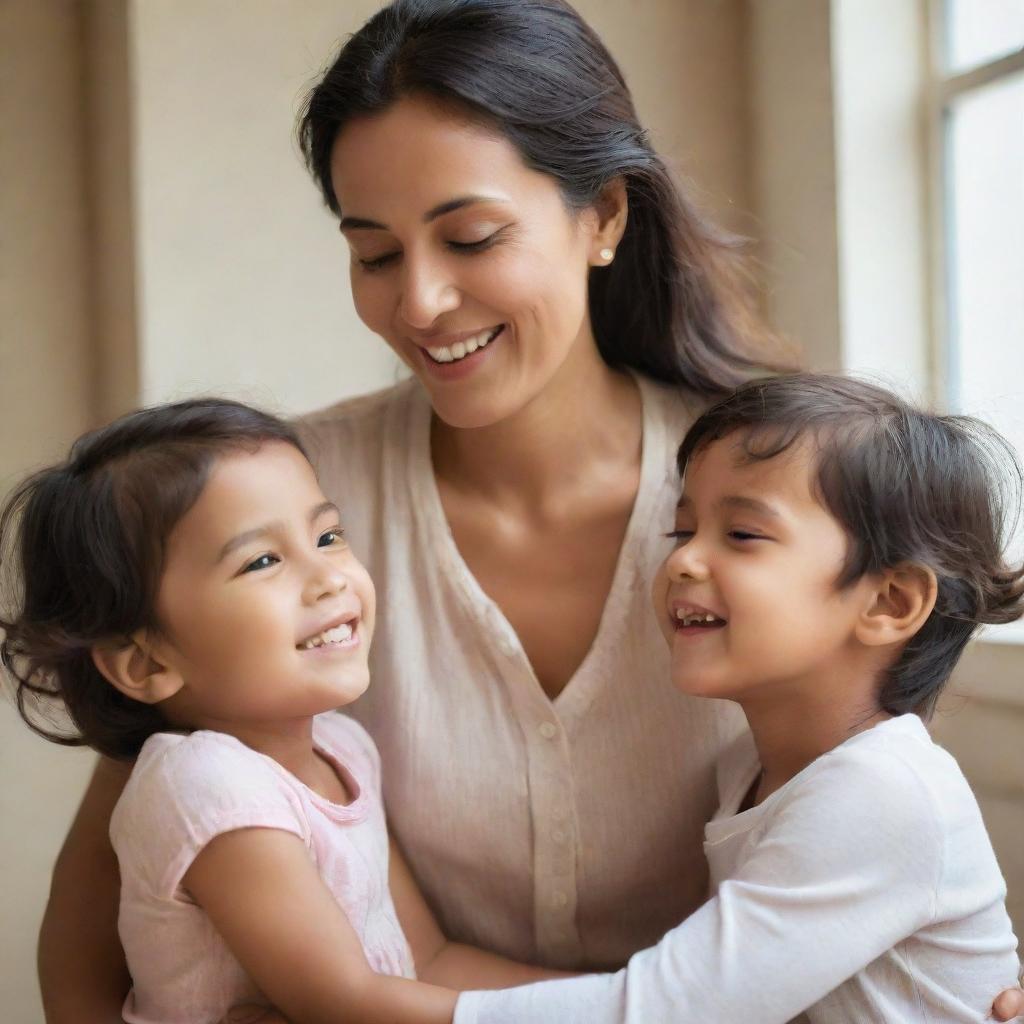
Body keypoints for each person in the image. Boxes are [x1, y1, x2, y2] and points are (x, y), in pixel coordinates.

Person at [32, 1, 1024, 1021]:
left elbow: (889, 854)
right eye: (374, 255)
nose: (417, 302)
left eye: (470, 237)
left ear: (602, 218)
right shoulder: (287, 503)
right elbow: (115, 877)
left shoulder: (772, 511)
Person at [453, 373, 1024, 1023]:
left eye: (743, 535)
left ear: (888, 602)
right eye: (682, 531)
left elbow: (656, 1014)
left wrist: (366, 1005)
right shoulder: (748, 770)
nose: (683, 562)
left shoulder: (882, 792)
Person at [1, 398, 565, 1024]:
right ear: (146, 664)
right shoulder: (206, 785)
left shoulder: (345, 747)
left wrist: (626, 994)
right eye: (262, 561)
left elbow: (426, 961)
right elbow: (345, 1004)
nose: (329, 577)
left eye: (327, 536)